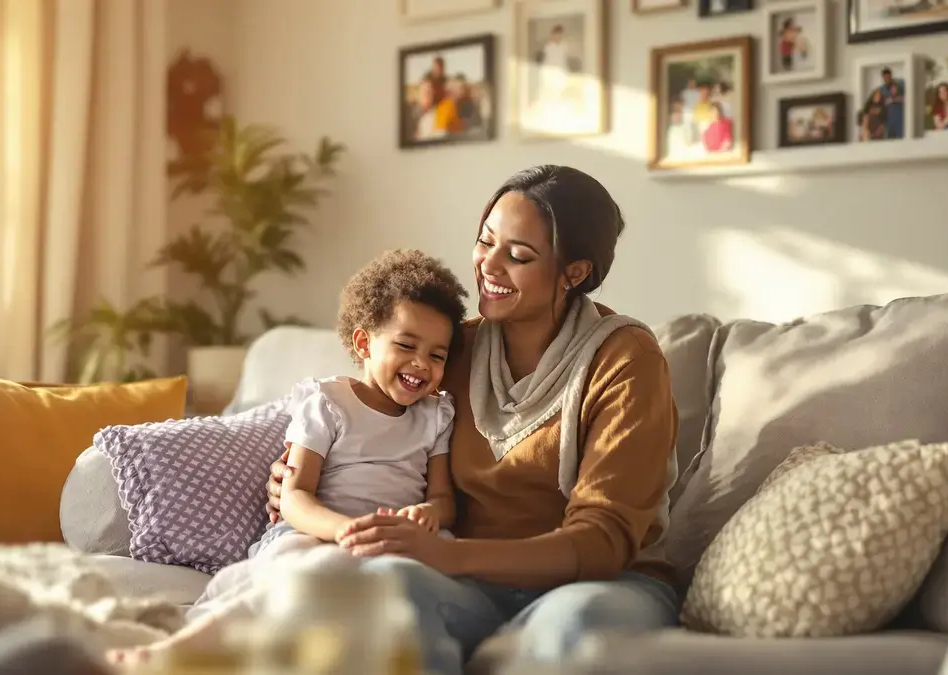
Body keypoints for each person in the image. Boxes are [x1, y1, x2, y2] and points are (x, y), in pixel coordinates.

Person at [267, 165, 681, 675]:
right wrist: (301, 474)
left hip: (603, 585)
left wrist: (450, 558)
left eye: (519, 255)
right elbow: (370, 415)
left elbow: (603, 541)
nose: (489, 265)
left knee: (570, 629)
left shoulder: (625, 359)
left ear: (574, 272)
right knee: (384, 596)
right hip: (472, 585)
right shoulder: (448, 351)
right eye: (485, 242)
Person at [111, 249, 470, 665]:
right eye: (406, 345)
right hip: (318, 531)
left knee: (409, 589)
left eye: (437, 355)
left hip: (392, 543)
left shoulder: (435, 415)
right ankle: (173, 652)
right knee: (290, 575)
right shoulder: (328, 402)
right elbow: (295, 495)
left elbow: (445, 499)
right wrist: (344, 530)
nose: (420, 364)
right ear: (363, 342)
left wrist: (429, 513)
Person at [878, 68, 905, 139]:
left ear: (891, 76)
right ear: (883, 78)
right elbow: (880, 104)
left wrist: (893, 99)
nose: (886, 79)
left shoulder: (900, 84)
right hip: (889, 122)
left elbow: (908, 99)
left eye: (888, 77)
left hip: (900, 121)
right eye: (885, 78)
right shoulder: (882, 89)